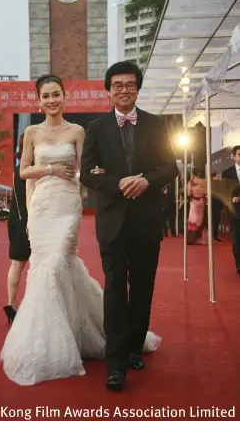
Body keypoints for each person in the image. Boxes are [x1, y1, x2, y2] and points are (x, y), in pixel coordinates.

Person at [0, 74, 161, 386]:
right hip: (43, 207)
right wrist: (47, 174)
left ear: (64, 97)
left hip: (67, 207)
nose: (51, 100)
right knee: (50, 268)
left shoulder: (78, 131)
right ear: (38, 99)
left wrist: (98, 177)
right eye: (45, 95)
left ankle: (71, 334)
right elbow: (24, 172)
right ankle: (61, 334)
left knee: (60, 261)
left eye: (56, 94)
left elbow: (88, 168)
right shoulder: (31, 132)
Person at [80, 61, 178, 391]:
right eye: (117, 85)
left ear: (137, 88)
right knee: (114, 288)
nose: (124, 90)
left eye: (130, 85)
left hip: (147, 220)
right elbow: (86, 173)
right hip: (112, 222)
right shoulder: (96, 127)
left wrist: (146, 181)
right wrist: (119, 183)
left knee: (142, 286)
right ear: (108, 90)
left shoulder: (155, 123)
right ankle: (116, 362)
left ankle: (135, 346)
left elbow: (170, 168)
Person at [3, 134, 31, 323]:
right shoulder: (29, 170)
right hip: (27, 221)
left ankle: (11, 304)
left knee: (16, 264)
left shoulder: (16, 169)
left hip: (15, 220)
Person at [222, 145, 240, 275]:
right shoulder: (227, 173)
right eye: (239, 154)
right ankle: (239, 265)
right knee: (237, 240)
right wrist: (232, 198)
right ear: (234, 156)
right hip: (233, 211)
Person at [187, 167, 207, 245]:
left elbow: (189, 193)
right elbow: (206, 192)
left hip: (194, 202)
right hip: (201, 202)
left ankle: (191, 239)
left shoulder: (191, 182)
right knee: (200, 220)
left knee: (192, 220)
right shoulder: (203, 182)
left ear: (192, 173)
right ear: (199, 173)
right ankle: (200, 238)